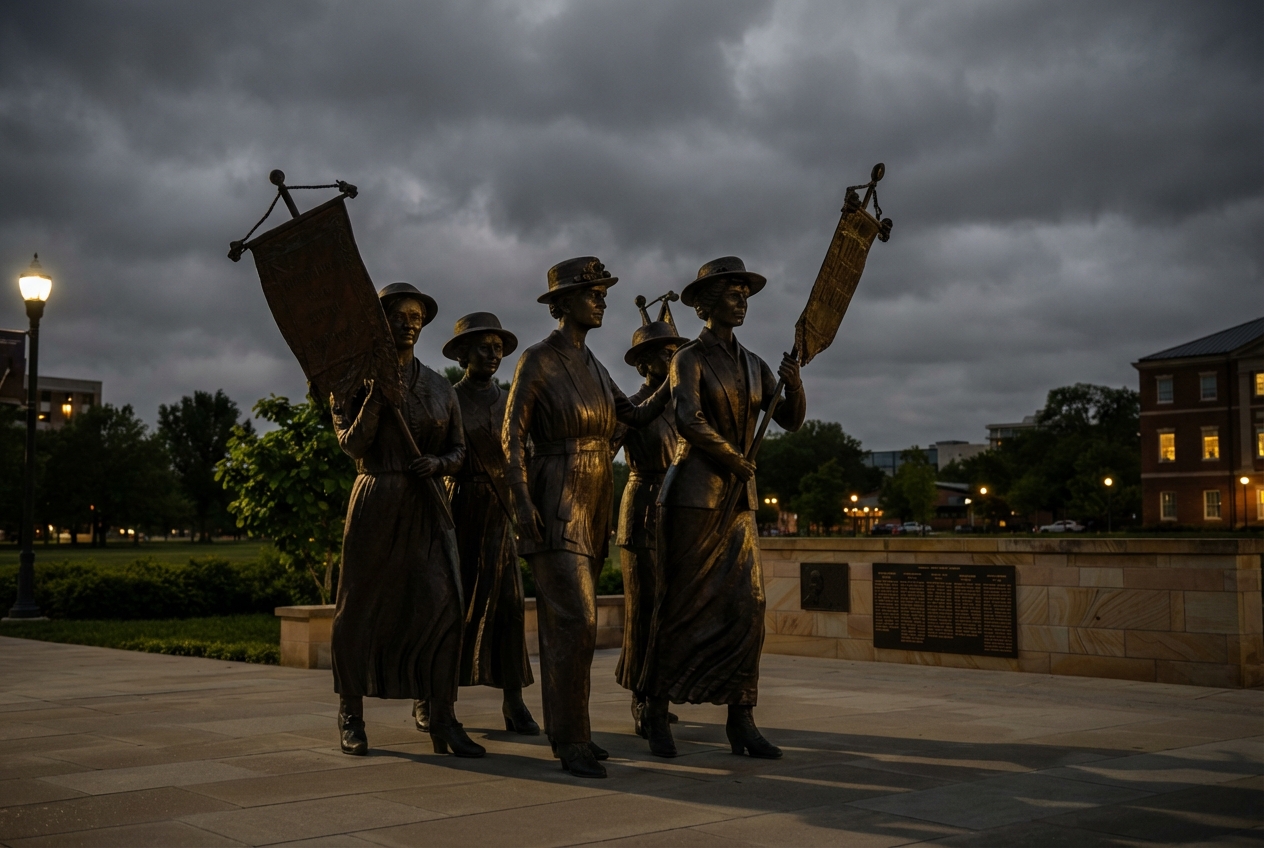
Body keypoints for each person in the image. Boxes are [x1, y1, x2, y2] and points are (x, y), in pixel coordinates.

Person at [502, 256, 669, 778]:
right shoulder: (538, 359)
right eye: (593, 292)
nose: (601, 300)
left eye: (603, 292)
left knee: (574, 622)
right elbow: (509, 439)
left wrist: (678, 375)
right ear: (562, 303)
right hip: (556, 491)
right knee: (576, 620)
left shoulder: (595, 363)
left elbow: (635, 415)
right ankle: (571, 737)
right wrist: (521, 501)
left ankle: (572, 727)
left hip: (596, 493)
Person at [639, 257, 805, 760]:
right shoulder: (687, 358)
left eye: (745, 294)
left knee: (747, 609)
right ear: (707, 303)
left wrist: (793, 382)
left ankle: (742, 716)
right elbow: (687, 417)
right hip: (693, 493)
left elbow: (791, 420)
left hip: (738, 502)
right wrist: (732, 458)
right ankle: (654, 705)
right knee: (680, 603)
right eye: (733, 294)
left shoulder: (755, 364)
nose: (742, 301)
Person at [330, 282, 484, 759]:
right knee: (359, 608)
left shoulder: (440, 385)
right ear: (380, 321)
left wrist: (438, 465)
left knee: (444, 603)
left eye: (416, 316)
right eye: (399, 315)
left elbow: (459, 450)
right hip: (377, 495)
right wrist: (377, 398)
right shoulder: (352, 379)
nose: (409, 323)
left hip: (427, 501)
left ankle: (442, 715)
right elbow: (352, 446)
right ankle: (351, 713)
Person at [431, 311, 539, 736]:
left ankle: (514, 700)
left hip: (500, 512)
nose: (492, 355)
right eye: (483, 347)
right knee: (449, 607)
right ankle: (433, 699)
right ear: (462, 354)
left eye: (497, 348)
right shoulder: (448, 398)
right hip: (458, 507)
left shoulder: (510, 399)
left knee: (509, 607)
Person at [615, 294, 686, 737]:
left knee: (673, 608)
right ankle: (641, 696)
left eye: (676, 352)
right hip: (642, 509)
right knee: (643, 610)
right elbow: (605, 447)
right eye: (666, 353)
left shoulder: (683, 408)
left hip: (680, 510)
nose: (674, 359)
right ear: (644, 364)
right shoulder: (631, 405)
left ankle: (661, 687)